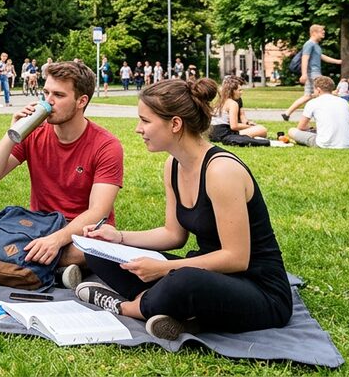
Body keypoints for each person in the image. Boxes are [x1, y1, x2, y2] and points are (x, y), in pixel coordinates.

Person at [74, 78, 292, 340]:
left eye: (145, 120)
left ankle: (124, 306)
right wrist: (117, 237)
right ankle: (174, 311)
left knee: (183, 281)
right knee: (101, 253)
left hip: (259, 289)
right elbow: (173, 235)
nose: (137, 129)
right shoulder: (173, 165)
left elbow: (237, 258)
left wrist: (164, 270)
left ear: (175, 124)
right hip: (208, 274)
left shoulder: (221, 171)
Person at [0, 61, 123, 286]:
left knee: (100, 247)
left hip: (78, 232)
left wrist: (55, 240)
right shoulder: (34, 132)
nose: (48, 101)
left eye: (58, 95)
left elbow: (97, 213)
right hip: (35, 226)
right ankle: (45, 266)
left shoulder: (106, 145)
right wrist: (12, 132)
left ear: (81, 101)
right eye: (46, 92)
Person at [283, 24, 343, 121]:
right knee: (321, 94)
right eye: (321, 31)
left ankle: (287, 113)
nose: (324, 33)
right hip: (313, 74)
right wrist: (304, 74)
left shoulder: (315, 45)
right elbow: (304, 58)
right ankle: (320, 117)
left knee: (308, 96)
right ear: (314, 33)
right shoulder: (309, 44)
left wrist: (338, 61)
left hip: (314, 73)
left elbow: (322, 57)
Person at [287, 76, 349, 149]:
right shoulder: (344, 102)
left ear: (318, 90)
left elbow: (301, 127)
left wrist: (312, 129)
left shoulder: (313, 103)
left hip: (324, 143)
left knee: (292, 131)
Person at [209, 76, 268, 144]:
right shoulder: (233, 103)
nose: (241, 92)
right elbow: (234, 126)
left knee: (256, 129)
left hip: (213, 134)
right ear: (232, 91)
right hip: (224, 134)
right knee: (262, 129)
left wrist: (247, 123)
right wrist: (250, 126)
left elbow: (241, 116)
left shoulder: (220, 101)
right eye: (239, 90)